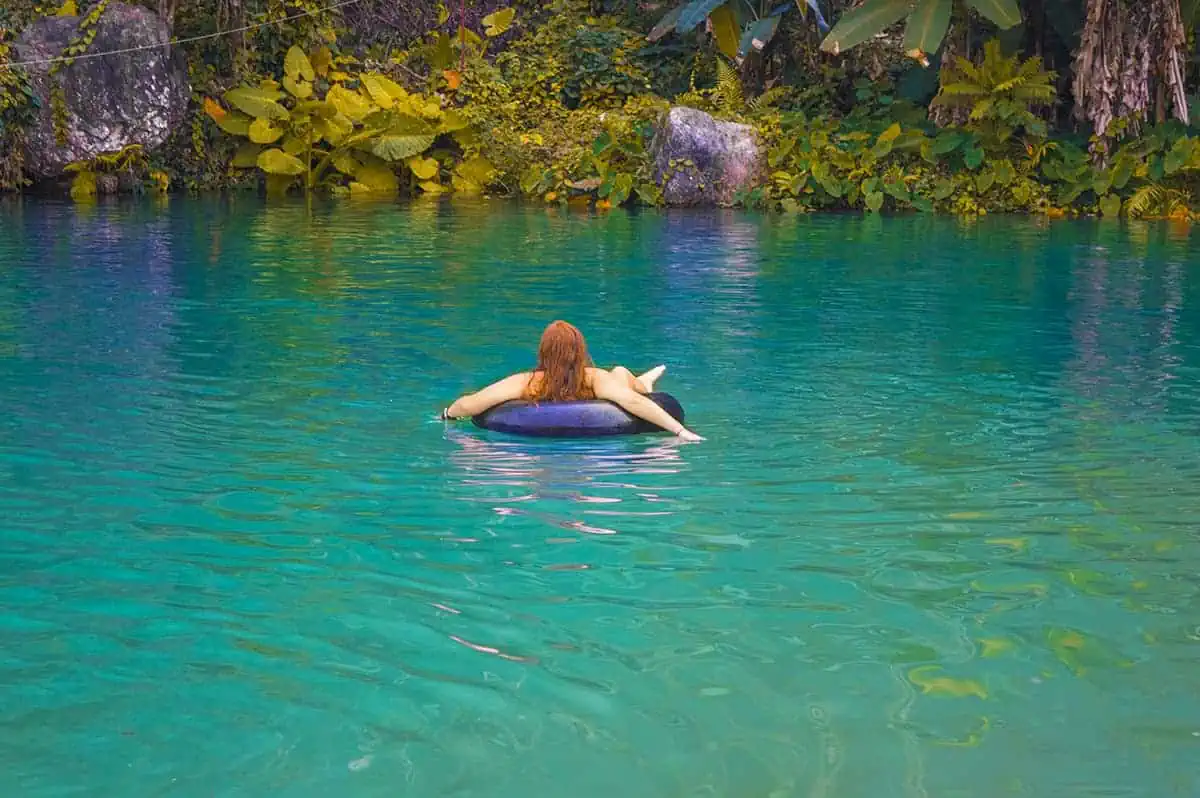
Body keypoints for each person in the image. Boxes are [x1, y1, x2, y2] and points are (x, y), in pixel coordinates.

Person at [441, 320, 704, 441]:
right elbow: (475, 404)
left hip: (623, 386)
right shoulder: (593, 378)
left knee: (622, 375)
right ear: (581, 352)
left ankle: (645, 383)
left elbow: (633, 401)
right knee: (620, 372)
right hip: (610, 387)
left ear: (543, 354)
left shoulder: (528, 383)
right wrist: (680, 433)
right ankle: (643, 381)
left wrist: (447, 414)